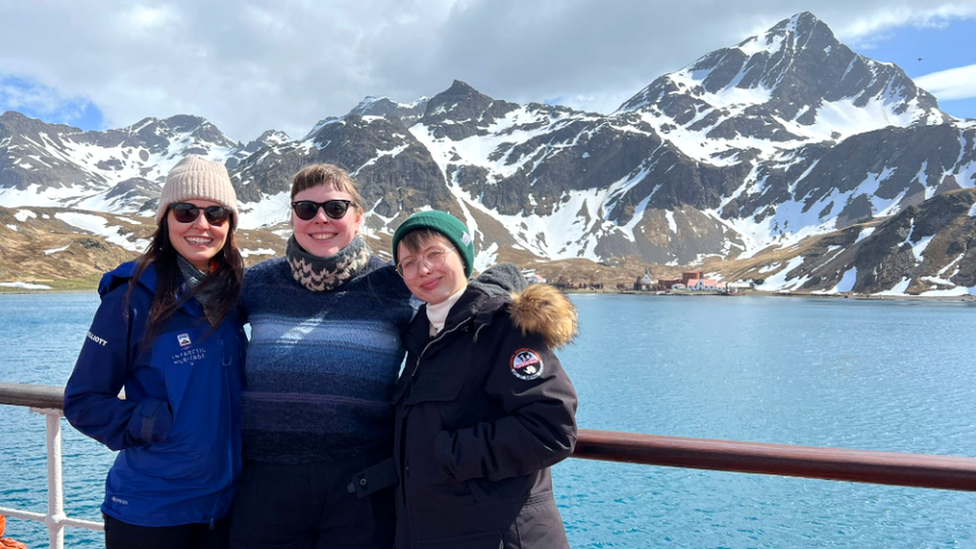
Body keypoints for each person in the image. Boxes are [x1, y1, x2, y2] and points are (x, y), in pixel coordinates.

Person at [63, 155, 247, 549]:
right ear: (166, 219)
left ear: (229, 225)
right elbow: (82, 402)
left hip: (226, 511)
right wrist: (151, 420)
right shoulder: (130, 297)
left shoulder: (235, 295)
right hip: (150, 512)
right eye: (186, 212)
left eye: (216, 214)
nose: (201, 225)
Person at [229, 164, 416, 549]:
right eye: (306, 209)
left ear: (359, 217)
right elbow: (193, 319)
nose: (320, 219)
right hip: (264, 484)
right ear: (293, 217)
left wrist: (511, 289)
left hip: (362, 485)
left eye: (335, 208)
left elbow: (460, 305)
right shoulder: (257, 283)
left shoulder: (396, 285)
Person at [387, 211, 579, 549]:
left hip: (500, 536)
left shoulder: (501, 326)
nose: (424, 270)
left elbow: (551, 428)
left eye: (434, 254)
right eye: (409, 263)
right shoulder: (421, 336)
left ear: (462, 257)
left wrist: (450, 453)